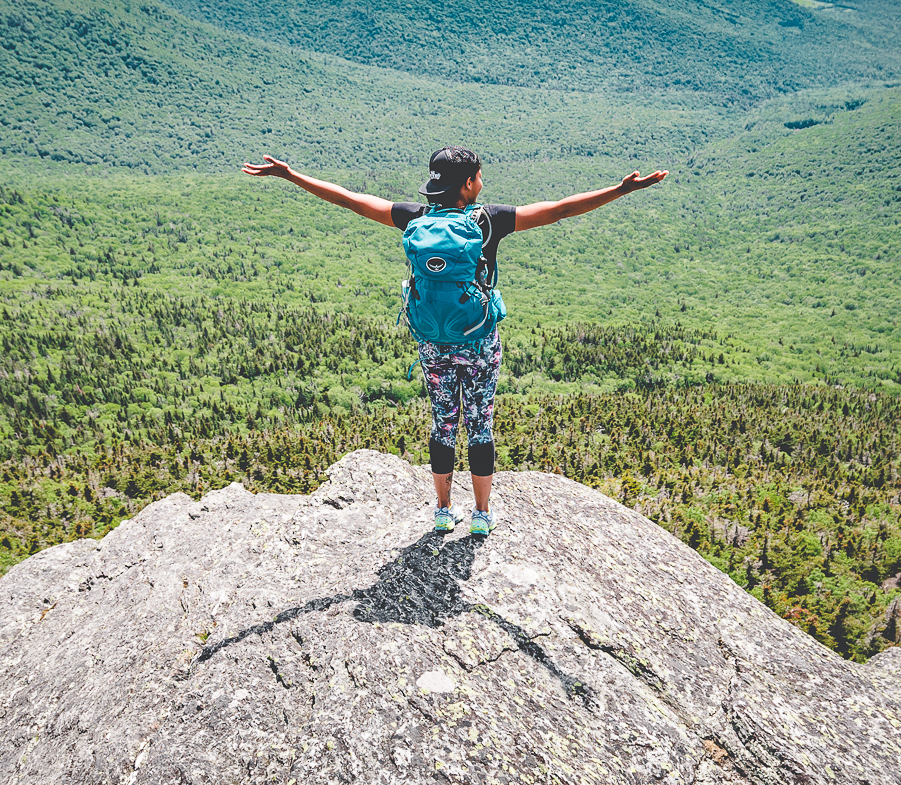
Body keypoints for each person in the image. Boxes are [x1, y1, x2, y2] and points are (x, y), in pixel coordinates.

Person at [241, 146, 667, 537]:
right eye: (478, 177)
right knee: (479, 422)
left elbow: (350, 200)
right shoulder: (487, 220)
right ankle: (481, 515)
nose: (482, 182)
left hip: (432, 341)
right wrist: (621, 189)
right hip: (479, 339)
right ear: (467, 184)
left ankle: (444, 510)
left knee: (443, 421)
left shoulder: (413, 217)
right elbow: (560, 210)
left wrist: (291, 175)